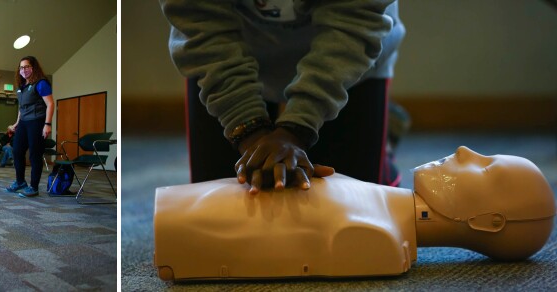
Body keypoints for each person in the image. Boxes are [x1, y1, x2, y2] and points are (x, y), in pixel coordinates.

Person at [154, 146, 555, 281]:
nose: (465, 152)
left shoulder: (379, 239)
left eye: (487, 166)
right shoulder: (378, 212)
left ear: (489, 223)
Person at [161, 0, 406, 191]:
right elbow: (200, 21)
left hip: (347, 59)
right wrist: (249, 130)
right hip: (232, 50)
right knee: (216, 215)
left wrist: (297, 129)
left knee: (354, 211)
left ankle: (384, 143)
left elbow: (354, 23)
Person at [5, 56, 55, 197]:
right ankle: (20, 182)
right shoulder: (21, 87)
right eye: (21, 67)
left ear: (33, 67)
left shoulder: (41, 83)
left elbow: (50, 104)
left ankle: (34, 187)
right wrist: (16, 123)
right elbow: (22, 108)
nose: (24, 70)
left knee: (34, 155)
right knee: (17, 151)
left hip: (37, 122)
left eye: (27, 66)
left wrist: (47, 124)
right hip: (24, 123)